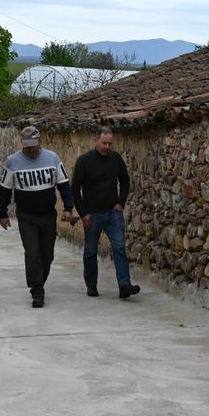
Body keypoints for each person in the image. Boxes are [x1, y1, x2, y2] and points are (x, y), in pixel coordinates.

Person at [0, 126, 76, 308]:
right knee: (32, 253)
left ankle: (39, 280)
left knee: (47, 255)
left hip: (48, 214)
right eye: (27, 146)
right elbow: (5, 190)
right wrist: (3, 213)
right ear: (22, 144)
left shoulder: (52, 158)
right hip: (26, 216)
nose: (31, 150)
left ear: (40, 142)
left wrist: (68, 208)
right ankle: (37, 290)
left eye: (33, 145)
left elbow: (64, 185)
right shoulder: (12, 162)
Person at [72, 126, 139, 300]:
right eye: (104, 143)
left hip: (112, 213)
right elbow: (75, 189)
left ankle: (124, 285)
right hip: (92, 215)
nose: (107, 147)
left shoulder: (116, 159)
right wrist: (84, 213)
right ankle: (91, 284)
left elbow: (124, 180)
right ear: (95, 140)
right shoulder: (84, 161)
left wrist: (120, 203)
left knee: (119, 248)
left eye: (110, 143)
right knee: (90, 250)